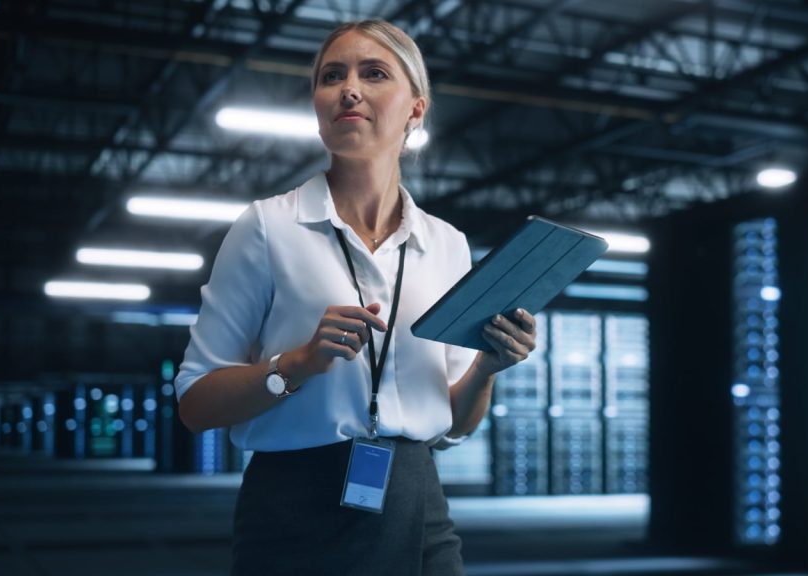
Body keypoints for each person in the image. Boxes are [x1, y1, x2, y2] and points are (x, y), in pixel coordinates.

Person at [174, 19, 537, 576]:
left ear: (415, 109)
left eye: (374, 74)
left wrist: (487, 366)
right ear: (317, 105)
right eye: (331, 76)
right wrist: (297, 363)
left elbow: (456, 424)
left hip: (418, 503)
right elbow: (196, 404)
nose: (349, 88)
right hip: (293, 508)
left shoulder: (446, 244)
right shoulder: (269, 227)